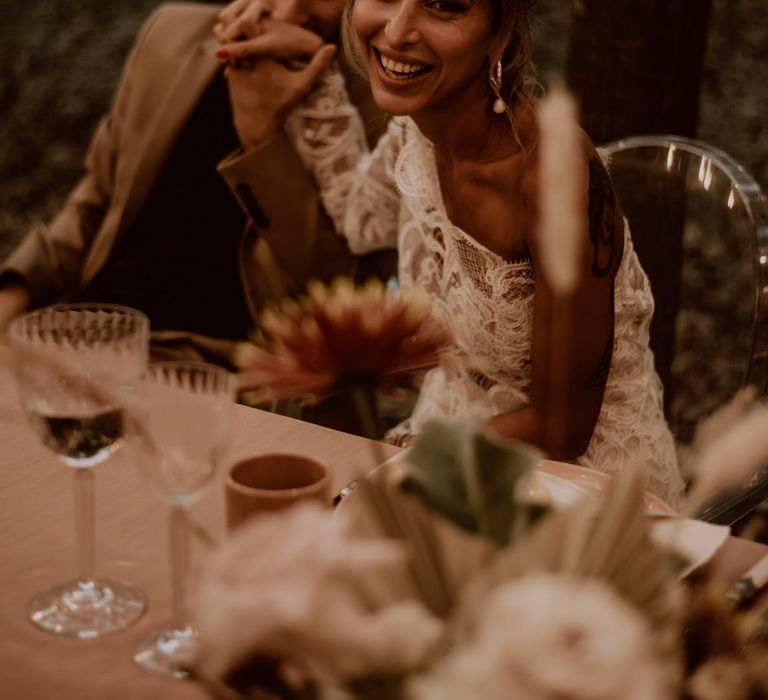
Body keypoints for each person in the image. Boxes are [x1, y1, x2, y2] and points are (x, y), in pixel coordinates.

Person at [220, 0, 685, 505]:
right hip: (446, 437)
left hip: (578, 488)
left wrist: (407, 458)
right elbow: (360, 222)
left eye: (444, 5)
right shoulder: (415, 122)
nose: (396, 31)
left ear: (501, 33)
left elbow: (561, 428)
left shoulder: (552, 175)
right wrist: (311, 72)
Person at [0, 0, 392, 370]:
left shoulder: (378, 106)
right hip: (86, 332)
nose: (290, 10)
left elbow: (349, 302)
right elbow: (98, 200)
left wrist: (262, 138)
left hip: (220, 371)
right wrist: (17, 289)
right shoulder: (172, 33)